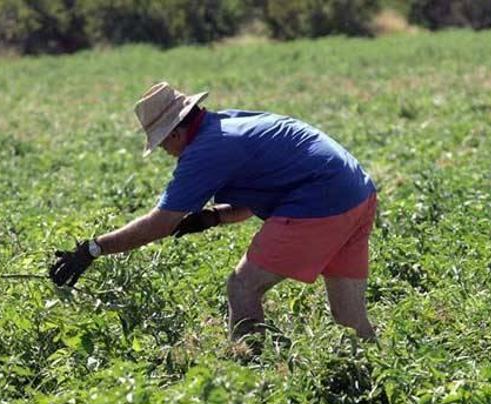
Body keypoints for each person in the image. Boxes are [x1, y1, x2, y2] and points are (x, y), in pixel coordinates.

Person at [49, 82, 378, 341]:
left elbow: (160, 223)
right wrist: (213, 217)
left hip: (320, 202)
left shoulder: (205, 150)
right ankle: (375, 383)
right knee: (350, 321)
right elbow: (263, 191)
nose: (166, 152)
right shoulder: (227, 124)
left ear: (176, 132)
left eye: (163, 144)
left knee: (242, 286)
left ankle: (251, 378)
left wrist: (93, 249)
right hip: (357, 194)